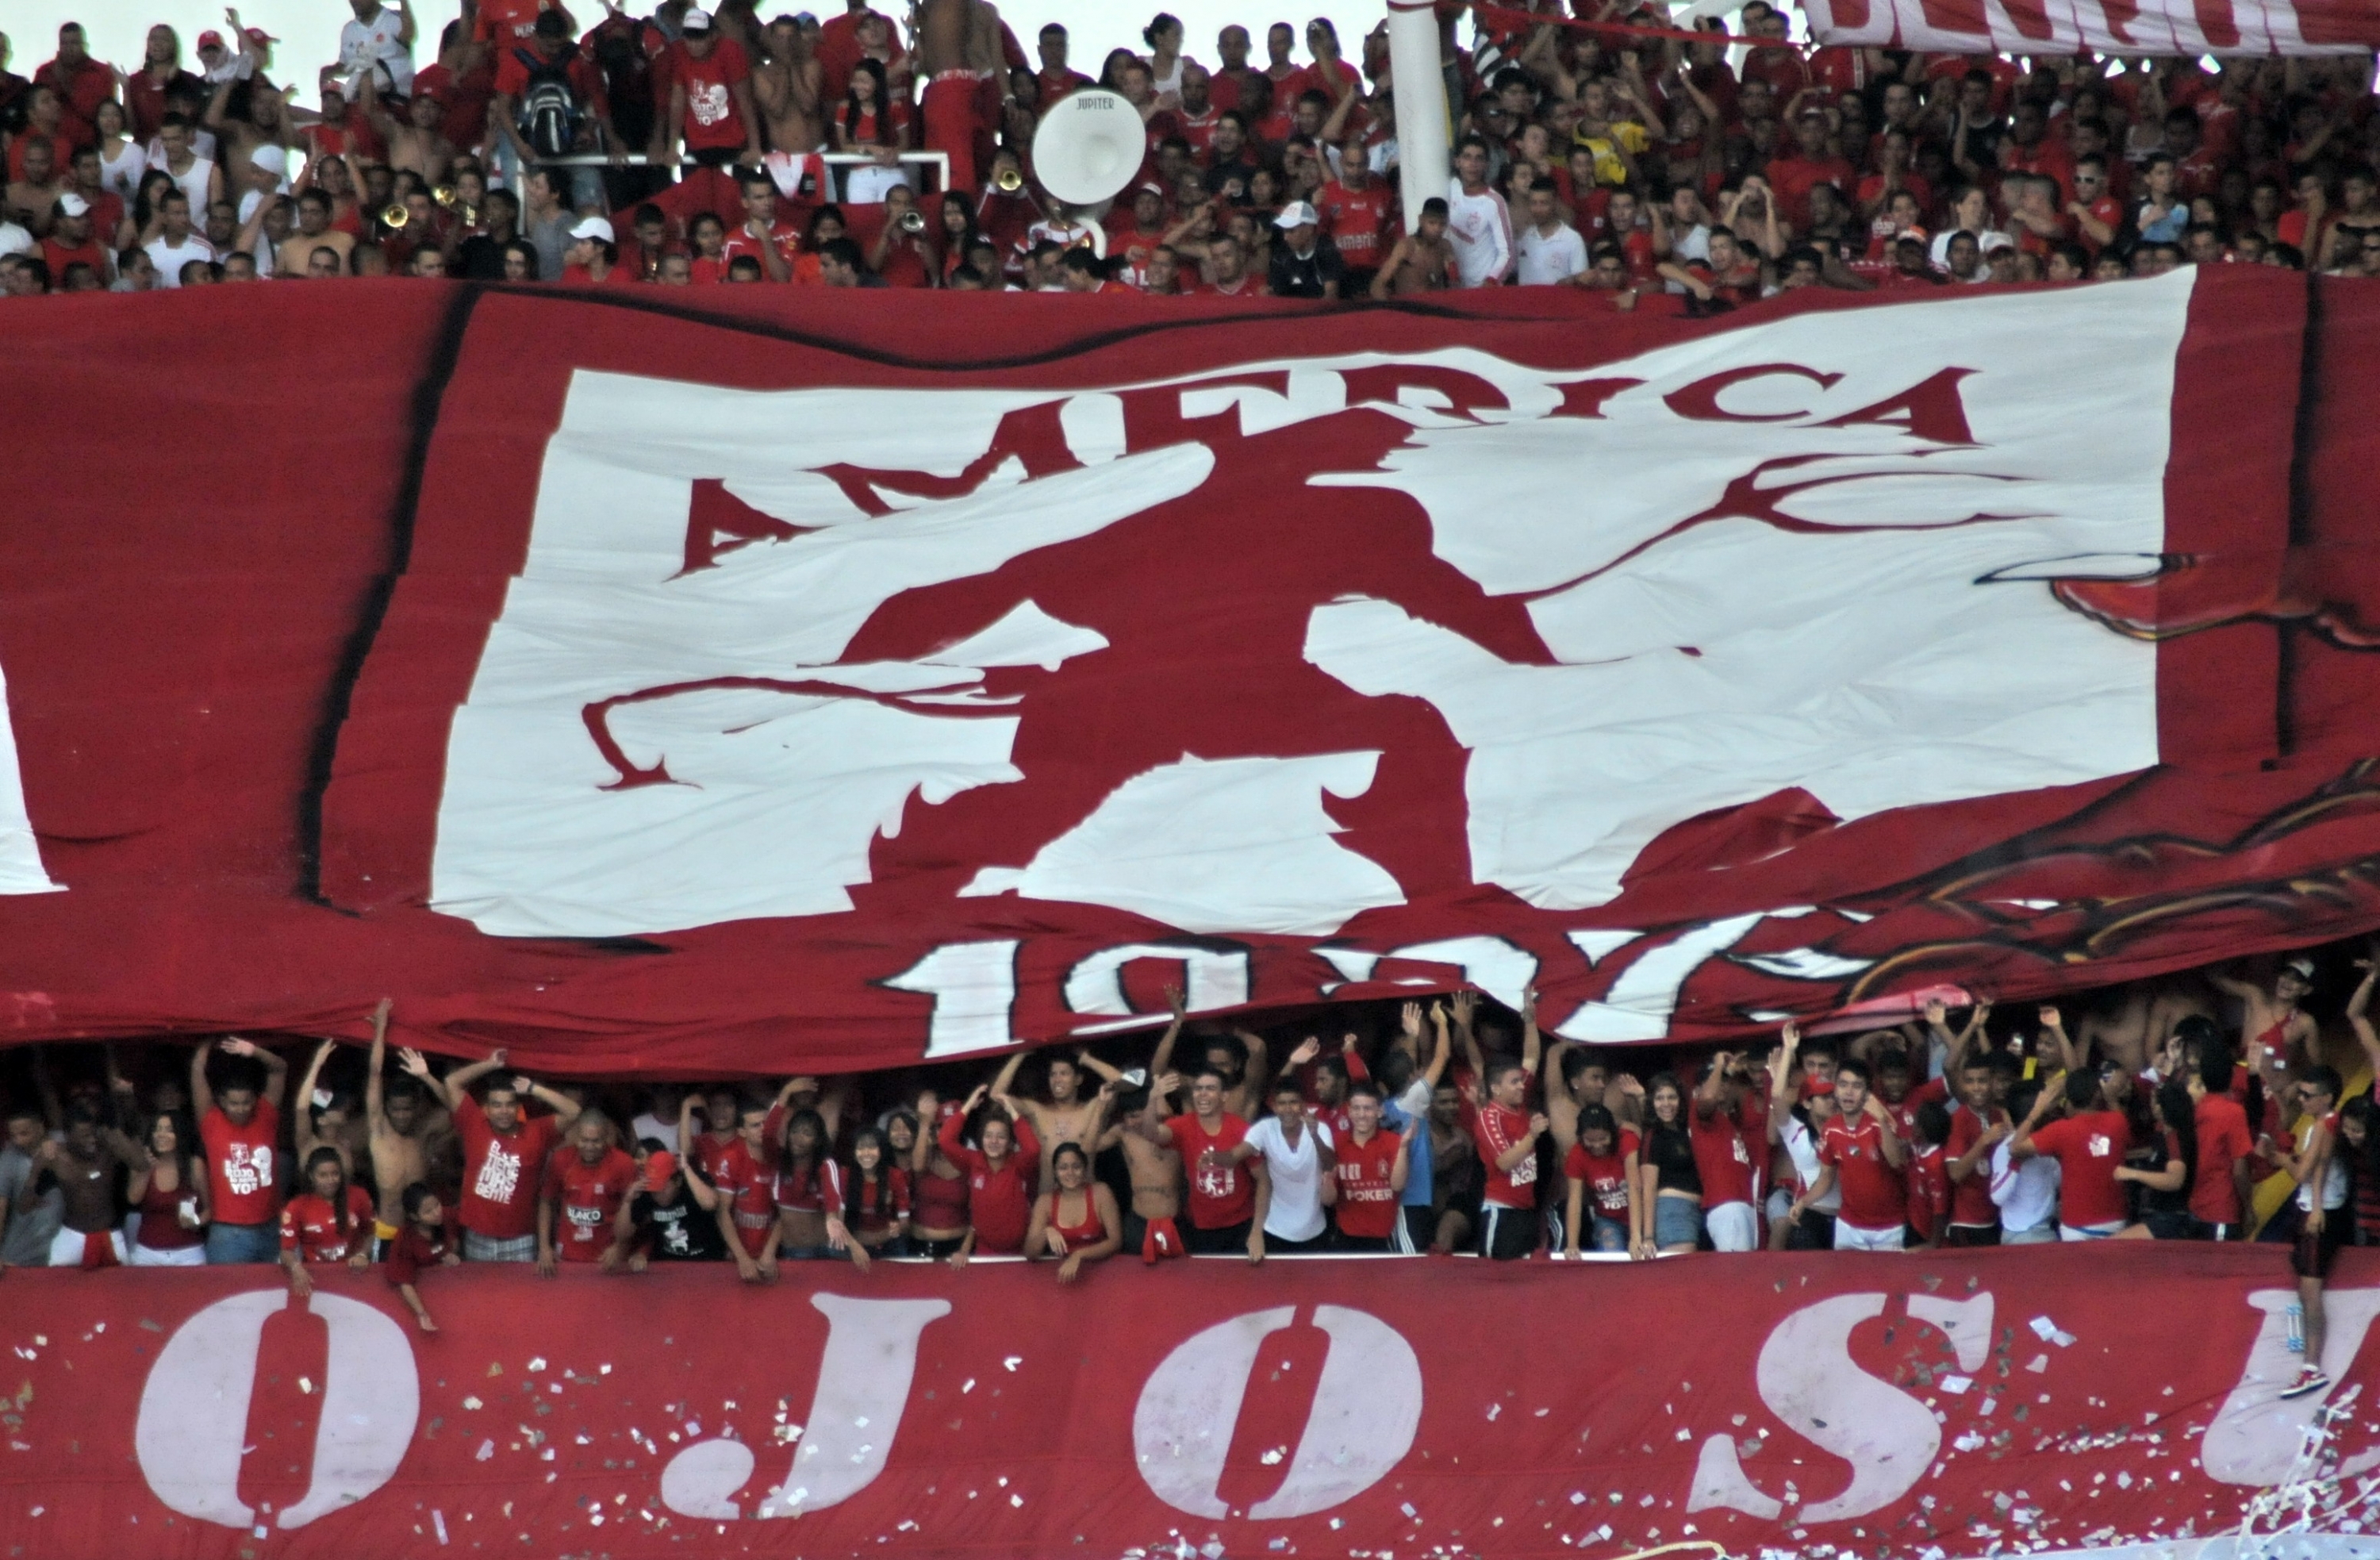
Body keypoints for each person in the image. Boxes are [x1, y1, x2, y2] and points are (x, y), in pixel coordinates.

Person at [412, 1048, 582, 1262]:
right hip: (478, 1236)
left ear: (518, 1107)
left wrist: (534, 1089)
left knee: (520, 1296)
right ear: (487, 1108)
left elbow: (574, 1111)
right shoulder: (474, 1123)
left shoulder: (537, 1131)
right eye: (497, 1105)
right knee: (480, 1295)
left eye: (509, 1105)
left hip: (521, 1239)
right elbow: (452, 1082)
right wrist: (490, 1064)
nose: (503, 1111)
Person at [2275, 1066, 2349, 1398]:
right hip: (2318, 1208)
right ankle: (2309, 1365)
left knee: (2310, 1291)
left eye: (2307, 1095)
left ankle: (2311, 1367)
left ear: (2327, 1098)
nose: (2301, 1099)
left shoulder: (2324, 1126)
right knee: (2307, 1291)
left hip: (2321, 1215)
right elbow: (2317, 1169)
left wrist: (2276, 1157)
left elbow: (2303, 1173)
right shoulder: (2325, 1124)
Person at [1139, 1067, 1257, 1258]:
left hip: (1242, 1225)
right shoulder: (1183, 1125)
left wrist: (1257, 1231)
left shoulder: (1241, 1129)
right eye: (1198, 1088)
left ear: (1224, 1096)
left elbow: (1263, 1180)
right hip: (1201, 1226)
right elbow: (1151, 1134)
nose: (1202, 1094)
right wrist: (1152, 1099)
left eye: (1210, 1088)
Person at [191, 1037, 288, 1263]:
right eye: (234, 1103)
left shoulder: (266, 1113)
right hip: (228, 1233)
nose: (241, 1109)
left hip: (270, 1227)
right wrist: (211, 1037)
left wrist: (254, 1050)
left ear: (255, 1099)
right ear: (222, 1101)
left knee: (271, 1296)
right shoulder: (210, 1120)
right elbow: (198, 1068)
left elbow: (279, 1069)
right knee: (228, 1297)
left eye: (246, 1102)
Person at [2011, 1059, 2132, 1241]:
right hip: (2114, 1221)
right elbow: (2117, 1114)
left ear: (2069, 1097)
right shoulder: (2118, 1121)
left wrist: (2037, 1110)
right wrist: (2110, 1097)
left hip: (2075, 1225)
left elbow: (2015, 1148)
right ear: (2097, 1094)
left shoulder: (2060, 1130)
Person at [1795, 1058, 1908, 1251]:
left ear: (1867, 1093)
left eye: (1857, 1086)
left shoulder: (1880, 1123)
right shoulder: (1830, 1129)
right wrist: (1802, 1202)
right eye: (1843, 1085)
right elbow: (1826, 1178)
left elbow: (1897, 1162)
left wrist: (1881, 1119)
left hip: (1889, 1227)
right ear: (1836, 1090)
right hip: (1848, 1227)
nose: (1849, 1092)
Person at [938, 1082, 1039, 1263]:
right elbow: (945, 1140)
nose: (994, 1141)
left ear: (1010, 1142)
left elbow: (1033, 1150)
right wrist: (967, 1106)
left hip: (1021, 1253)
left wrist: (1014, 1113)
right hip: (985, 1252)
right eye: (988, 1136)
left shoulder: (1019, 1164)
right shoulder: (972, 1161)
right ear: (981, 1139)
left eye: (1001, 1137)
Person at [1237, 1077, 1335, 1260]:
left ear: (1303, 1105)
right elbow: (1238, 1154)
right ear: (1274, 1106)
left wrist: (1315, 1136)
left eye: (1293, 1102)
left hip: (1315, 1231)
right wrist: (1218, 1157)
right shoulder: (1265, 1128)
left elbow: (1330, 1164)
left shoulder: (1320, 1128)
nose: (1288, 1108)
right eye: (1282, 1103)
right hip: (1275, 1232)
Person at [539, 1109, 637, 1272]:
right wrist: (544, 1247)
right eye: (584, 1140)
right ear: (576, 1136)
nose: (590, 1147)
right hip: (567, 1257)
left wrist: (619, 1246)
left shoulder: (623, 1163)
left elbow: (636, 1212)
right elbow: (546, 1201)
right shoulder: (561, 1160)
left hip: (606, 1259)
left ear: (606, 1138)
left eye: (596, 1141)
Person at [279, 1145, 375, 1296]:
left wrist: (363, 1254)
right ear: (311, 1176)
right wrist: (295, 1268)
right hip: (316, 1280)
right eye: (323, 1175)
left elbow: (371, 1234)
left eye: (335, 1174)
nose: (330, 1180)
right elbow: (286, 1251)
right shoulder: (297, 1206)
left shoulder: (359, 1196)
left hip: (353, 1277)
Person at [1023, 1139, 1120, 1281]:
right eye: (1063, 1168)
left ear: (1085, 1168)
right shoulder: (1045, 1202)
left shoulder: (1101, 1193)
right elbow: (1030, 1253)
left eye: (1076, 1166)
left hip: (1100, 1273)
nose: (1070, 1173)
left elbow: (1115, 1242)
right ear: (1055, 1172)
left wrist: (1079, 1255)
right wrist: (1045, 1232)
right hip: (1061, 1276)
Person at [385, 1182, 458, 1332]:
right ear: (414, 1216)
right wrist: (422, 1313)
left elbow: (456, 1239)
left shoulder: (448, 1216)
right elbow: (404, 1281)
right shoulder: (404, 1240)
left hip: (452, 1296)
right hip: (426, 1299)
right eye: (428, 1211)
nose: (437, 1212)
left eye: (437, 1205)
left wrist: (452, 1255)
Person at [839, 1124, 911, 1269]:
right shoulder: (844, 1175)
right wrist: (854, 1246)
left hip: (889, 1245)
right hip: (852, 1244)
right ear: (853, 1152)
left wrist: (898, 1228)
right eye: (860, 1148)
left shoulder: (895, 1176)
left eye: (872, 1147)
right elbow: (837, 1222)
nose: (866, 1153)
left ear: (882, 1150)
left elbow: (905, 1223)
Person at [1444, 136, 1511, 286]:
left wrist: (1491, 281)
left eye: (1479, 158)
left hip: (1482, 290)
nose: (1472, 164)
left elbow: (1507, 253)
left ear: (1486, 165)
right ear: (1457, 162)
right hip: (1452, 287)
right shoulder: (1450, 188)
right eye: (1467, 157)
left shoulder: (1494, 202)